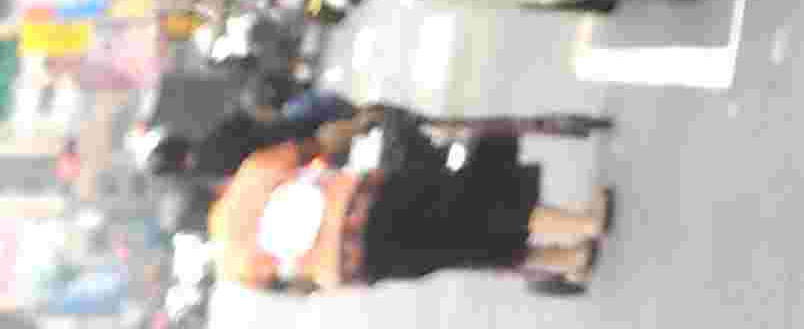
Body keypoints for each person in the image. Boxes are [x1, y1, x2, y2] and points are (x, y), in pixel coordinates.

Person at [205, 106, 612, 296]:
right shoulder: (252, 173)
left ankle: (568, 260)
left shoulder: (232, 265)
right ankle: (583, 224)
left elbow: (294, 288)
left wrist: (327, 269)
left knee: (458, 250)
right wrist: (361, 122)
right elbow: (324, 141)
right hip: (365, 205)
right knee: (474, 206)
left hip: (356, 266)